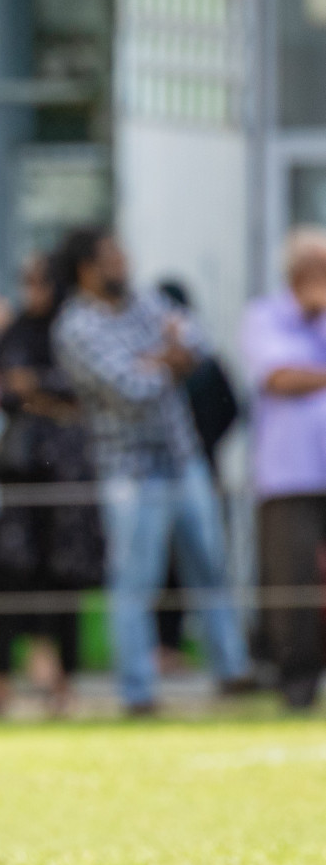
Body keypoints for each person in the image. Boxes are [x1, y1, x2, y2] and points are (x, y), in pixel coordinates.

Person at [51, 228, 253, 715]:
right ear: (88, 268)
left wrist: (156, 361)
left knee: (210, 567)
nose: (124, 262)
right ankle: (138, 691)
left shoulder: (148, 302)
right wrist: (169, 359)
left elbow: (200, 344)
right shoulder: (77, 326)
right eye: (112, 256)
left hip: (184, 460)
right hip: (129, 472)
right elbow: (129, 389)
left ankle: (233, 671)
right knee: (135, 581)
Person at [0, 253, 100, 716]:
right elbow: (8, 387)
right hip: (19, 471)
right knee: (11, 575)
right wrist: (45, 395)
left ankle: (62, 681)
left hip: (66, 474)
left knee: (63, 576)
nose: (32, 291)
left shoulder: (74, 330)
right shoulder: (16, 331)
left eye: (40, 282)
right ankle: (1, 680)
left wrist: (40, 392)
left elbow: (82, 388)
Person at [242, 226, 326, 710]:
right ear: (295, 273)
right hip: (289, 474)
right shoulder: (265, 316)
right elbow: (279, 376)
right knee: (291, 583)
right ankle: (297, 687)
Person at [152, 278, 240, 666]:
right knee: (158, 568)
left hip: (200, 470)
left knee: (208, 565)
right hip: (153, 471)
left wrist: (203, 446)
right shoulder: (152, 358)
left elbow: (230, 409)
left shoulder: (205, 361)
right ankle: (164, 648)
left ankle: (223, 659)